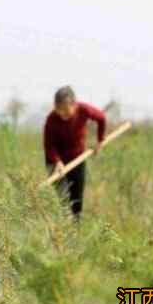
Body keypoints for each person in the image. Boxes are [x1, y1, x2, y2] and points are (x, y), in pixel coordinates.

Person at [43, 86, 107, 221]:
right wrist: (57, 162)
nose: (62, 115)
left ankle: (75, 230)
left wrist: (100, 141)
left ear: (74, 105)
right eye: (59, 110)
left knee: (76, 199)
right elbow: (49, 146)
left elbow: (101, 118)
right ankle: (63, 230)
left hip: (77, 159)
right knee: (64, 200)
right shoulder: (51, 119)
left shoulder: (83, 110)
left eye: (66, 111)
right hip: (55, 162)